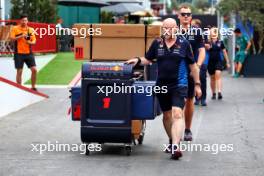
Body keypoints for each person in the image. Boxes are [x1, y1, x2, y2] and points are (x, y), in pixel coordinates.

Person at [126, 18, 202, 160]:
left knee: (177, 113)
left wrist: (197, 85)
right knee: (167, 116)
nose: (166, 31)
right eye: (164, 28)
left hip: (179, 85)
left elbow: (193, 66)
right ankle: (172, 139)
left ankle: (176, 146)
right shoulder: (157, 43)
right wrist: (137, 60)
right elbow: (148, 59)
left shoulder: (184, 44)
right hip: (162, 85)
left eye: (169, 28)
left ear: (176, 29)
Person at [178, 5, 206, 141]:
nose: (185, 16)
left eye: (188, 14)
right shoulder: (173, 31)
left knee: (189, 100)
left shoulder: (197, 32)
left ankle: (187, 129)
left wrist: (198, 66)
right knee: (177, 102)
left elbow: (202, 50)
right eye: (183, 14)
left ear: (191, 17)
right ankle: (175, 131)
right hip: (175, 71)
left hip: (191, 71)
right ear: (178, 16)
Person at [10, 15, 37, 90]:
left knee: (34, 70)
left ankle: (33, 87)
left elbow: (34, 41)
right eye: (23, 20)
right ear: (20, 21)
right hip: (18, 53)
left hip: (29, 53)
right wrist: (21, 36)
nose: (24, 22)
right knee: (20, 71)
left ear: (27, 21)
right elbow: (12, 39)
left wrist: (30, 42)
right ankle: (19, 88)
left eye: (26, 20)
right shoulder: (15, 29)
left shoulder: (30, 30)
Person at [207, 27, 230, 100]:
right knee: (212, 78)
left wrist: (227, 62)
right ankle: (214, 93)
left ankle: (219, 92)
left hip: (218, 61)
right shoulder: (207, 42)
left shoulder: (220, 42)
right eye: (212, 32)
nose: (214, 33)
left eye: (215, 32)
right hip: (210, 62)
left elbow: (224, 52)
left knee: (218, 75)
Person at [192, 19, 208, 106]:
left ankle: (203, 98)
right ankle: (197, 98)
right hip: (193, 61)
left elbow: (207, 45)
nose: (194, 27)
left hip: (202, 61)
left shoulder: (203, 34)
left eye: (195, 25)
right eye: (193, 25)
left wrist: (204, 45)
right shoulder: (189, 34)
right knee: (194, 80)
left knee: (202, 79)